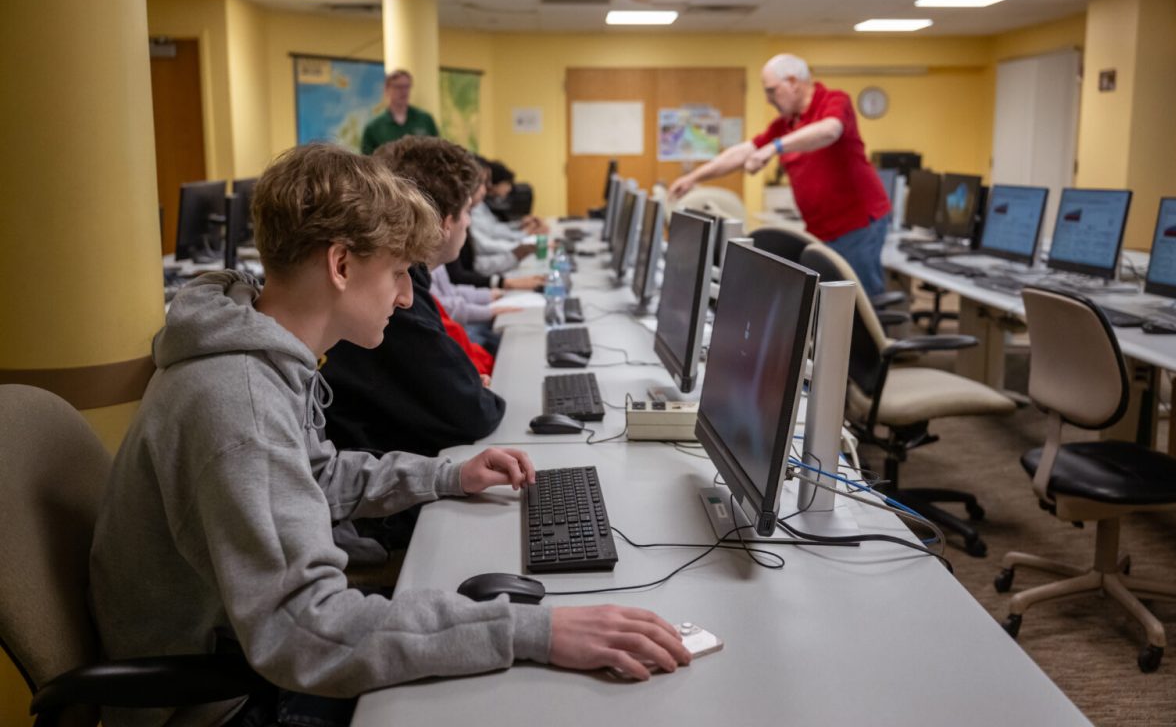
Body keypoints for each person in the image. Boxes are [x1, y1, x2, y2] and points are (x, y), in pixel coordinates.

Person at [89, 143, 690, 727]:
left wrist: (447, 475)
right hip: (227, 699)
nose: (407, 297)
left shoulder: (258, 351)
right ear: (341, 264)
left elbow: (316, 477)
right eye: (400, 272)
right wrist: (535, 629)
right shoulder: (238, 400)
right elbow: (305, 633)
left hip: (248, 652)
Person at [321, 137, 506, 458]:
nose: (404, 297)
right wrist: (463, 391)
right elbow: (469, 412)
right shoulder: (381, 311)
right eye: (397, 272)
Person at [669, 54, 891, 296]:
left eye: (772, 91)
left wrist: (774, 148)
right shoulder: (785, 124)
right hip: (821, 228)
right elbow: (742, 152)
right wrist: (694, 178)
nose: (768, 99)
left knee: (858, 304)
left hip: (857, 225)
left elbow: (830, 130)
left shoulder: (834, 101)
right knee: (828, 303)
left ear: (793, 82)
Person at [361, 69, 439, 155]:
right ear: (387, 89)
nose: (404, 92)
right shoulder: (373, 127)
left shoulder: (425, 120)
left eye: (407, 86)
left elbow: (438, 153)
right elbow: (367, 163)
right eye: (398, 87)